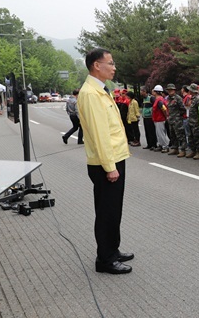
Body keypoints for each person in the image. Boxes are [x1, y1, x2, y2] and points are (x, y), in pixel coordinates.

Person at [77, 48, 133, 275]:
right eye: (110, 63)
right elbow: (100, 134)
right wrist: (110, 167)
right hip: (105, 162)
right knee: (107, 211)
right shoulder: (91, 94)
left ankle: (112, 248)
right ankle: (105, 259)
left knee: (114, 209)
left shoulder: (100, 90)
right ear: (96, 66)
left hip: (115, 158)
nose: (114, 67)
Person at [165, 84, 187, 157]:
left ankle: (183, 150)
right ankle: (175, 148)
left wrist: (178, 115)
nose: (170, 91)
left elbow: (183, 109)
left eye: (171, 90)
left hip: (177, 120)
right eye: (169, 90)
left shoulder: (178, 98)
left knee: (180, 135)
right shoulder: (168, 98)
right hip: (171, 119)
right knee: (172, 135)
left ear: (174, 90)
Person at [186, 83, 199, 159]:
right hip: (190, 121)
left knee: (197, 138)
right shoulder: (192, 98)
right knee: (190, 137)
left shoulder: (198, 99)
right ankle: (193, 150)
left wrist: (198, 122)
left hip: (196, 122)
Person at [151, 85, 170, 153]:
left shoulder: (159, 100)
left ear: (156, 92)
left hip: (160, 119)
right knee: (158, 133)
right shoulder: (159, 99)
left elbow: (164, 109)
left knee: (161, 134)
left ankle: (165, 146)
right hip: (157, 119)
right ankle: (161, 145)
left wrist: (166, 117)